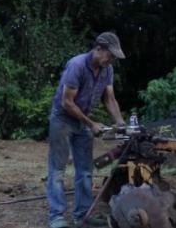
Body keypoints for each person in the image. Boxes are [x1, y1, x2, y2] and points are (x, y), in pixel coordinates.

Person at [47, 32, 126, 228]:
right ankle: (56, 217)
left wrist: (120, 123)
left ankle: (82, 215)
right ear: (99, 48)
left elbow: (109, 99)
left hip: (82, 121)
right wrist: (91, 124)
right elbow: (67, 102)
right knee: (58, 170)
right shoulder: (77, 65)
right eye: (110, 55)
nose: (112, 60)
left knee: (85, 170)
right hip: (63, 119)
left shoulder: (107, 70)